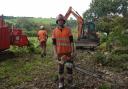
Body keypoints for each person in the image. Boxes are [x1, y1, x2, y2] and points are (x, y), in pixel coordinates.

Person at [52, 14, 75, 89]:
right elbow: (54, 44)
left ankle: (70, 82)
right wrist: (55, 53)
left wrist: (72, 51)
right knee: (60, 70)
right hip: (59, 53)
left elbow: (71, 41)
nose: (60, 22)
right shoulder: (54, 31)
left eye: (62, 20)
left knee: (69, 69)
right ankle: (61, 83)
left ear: (64, 21)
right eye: (59, 20)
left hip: (68, 53)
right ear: (57, 21)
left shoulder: (68, 30)